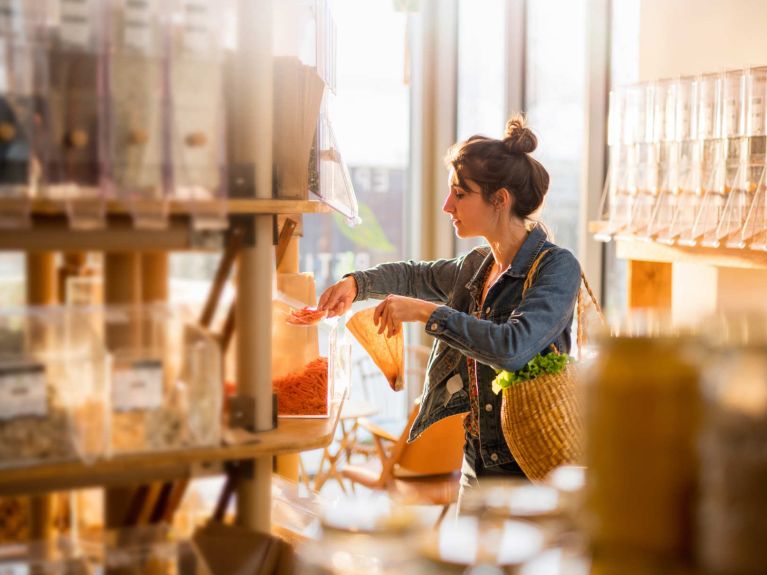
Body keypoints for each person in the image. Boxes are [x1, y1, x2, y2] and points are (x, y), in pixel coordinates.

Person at [318, 115, 582, 506]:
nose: (447, 206)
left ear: (500, 199)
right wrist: (356, 284)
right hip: (476, 464)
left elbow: (512, 347)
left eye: (460, 194)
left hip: (530, 473)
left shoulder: (557, 267)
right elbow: (412, 274)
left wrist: (427, 314)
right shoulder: (477, 266)